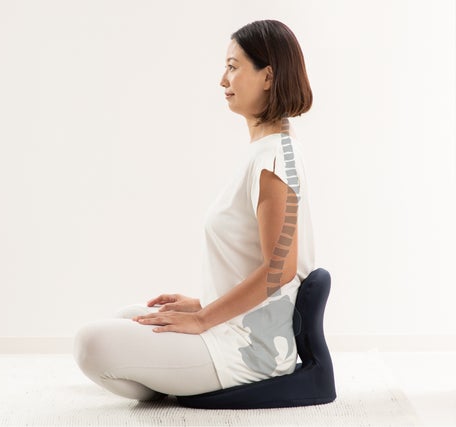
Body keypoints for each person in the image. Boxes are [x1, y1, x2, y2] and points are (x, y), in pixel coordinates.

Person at [73, 19, 315, 401]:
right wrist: (200, 303)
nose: (223, 80)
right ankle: (174, 378)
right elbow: (252, 262)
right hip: (234, 328)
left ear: (268, 77)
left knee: (90, 343)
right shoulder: (265, 150)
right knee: (126, 318)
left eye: (233, 67)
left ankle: (174, 380)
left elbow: (280, 269)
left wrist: (203, 319)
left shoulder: (274, 159)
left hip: (249, 350)